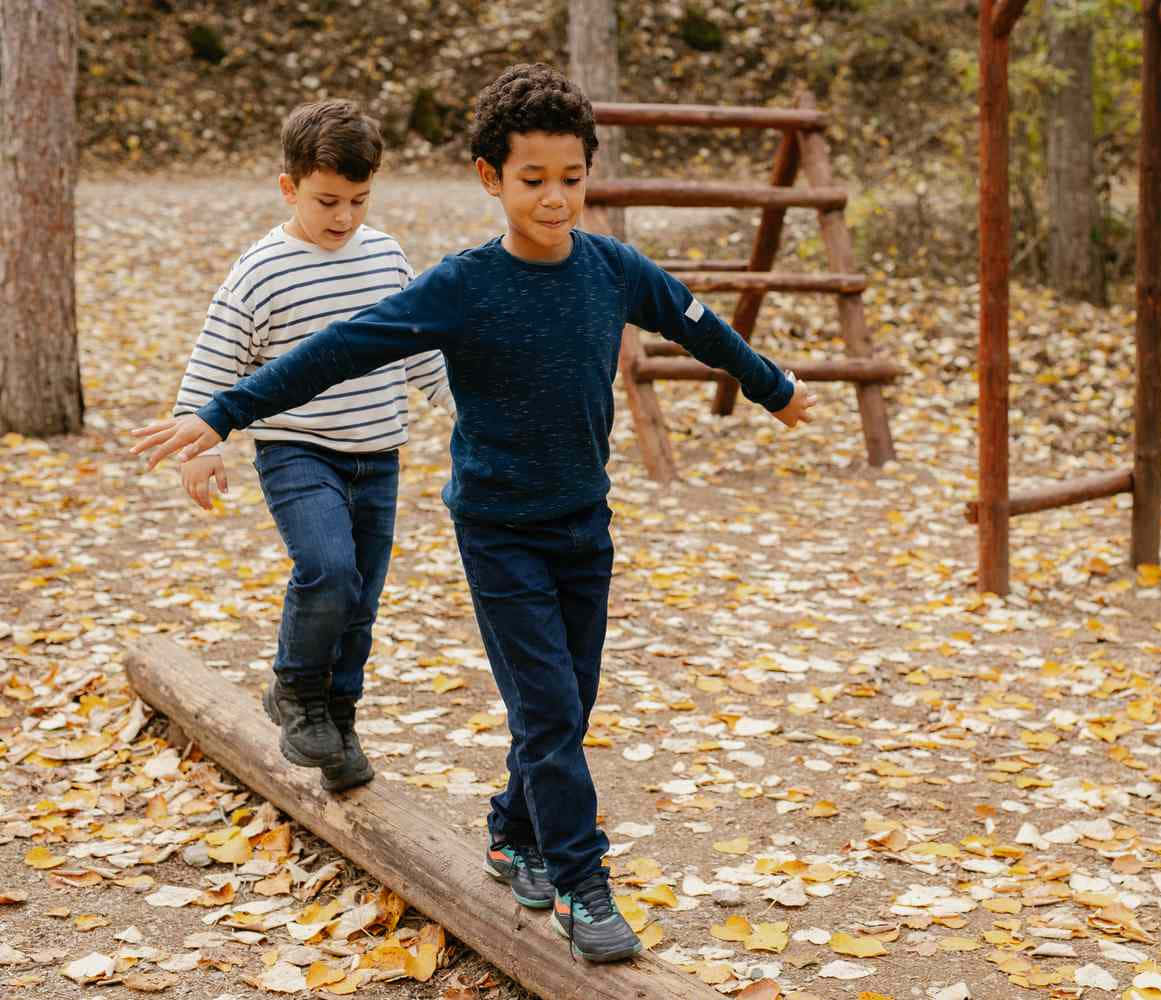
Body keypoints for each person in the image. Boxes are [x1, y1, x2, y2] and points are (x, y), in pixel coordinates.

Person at [132, 62, 816, 963]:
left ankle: (511, 833)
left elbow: (696, 322)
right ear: (491, 178)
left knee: (569, 704)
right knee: (545, 711)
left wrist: (774, 387)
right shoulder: (463, 286)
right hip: (499, 531)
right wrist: (222, 412)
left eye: (572, 178)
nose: (556, 198)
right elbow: (337, 350)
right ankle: (583, 882)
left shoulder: (614, 270)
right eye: (533, 180)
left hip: (585, 525)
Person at [153, 99, 453, 793]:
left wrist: (467, 408)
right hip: (297, 450)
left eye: (358, 199)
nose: (344, 217)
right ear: (289, 189)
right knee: (327, 567)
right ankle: (294, 689)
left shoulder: (384, 256)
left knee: (363, 596)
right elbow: (217, 356)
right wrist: (199, 442)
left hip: (379, 454)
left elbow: (419, 350)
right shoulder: (263, 269)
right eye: (327, 201)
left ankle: (337, 716)